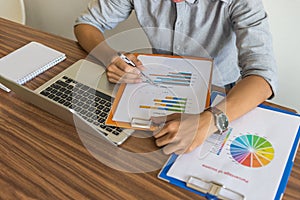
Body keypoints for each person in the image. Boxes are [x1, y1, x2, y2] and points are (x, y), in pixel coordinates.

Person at [74, 0, 277, 155]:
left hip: (222, 95)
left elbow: (262, 75)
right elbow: (86, 23)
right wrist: (109, 57)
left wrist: (211, 120)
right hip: (158, 85)